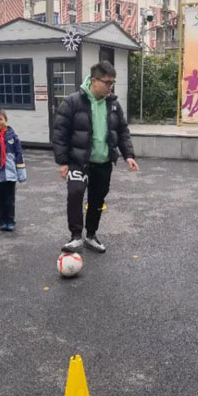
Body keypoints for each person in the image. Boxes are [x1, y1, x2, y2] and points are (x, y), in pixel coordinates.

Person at [52, 61, 138, 253]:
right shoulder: (73, 102)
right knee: (75, 194)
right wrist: (62, 161)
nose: (110, 87)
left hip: (103, 161)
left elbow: (122, 130)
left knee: (97, 200)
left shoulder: (113, 104)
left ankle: (91, 236)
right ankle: (75, 237)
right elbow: (60, 132)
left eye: (112, 83)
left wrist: (128, 155)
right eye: (107, 82)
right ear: (93, 80)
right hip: (79, 161)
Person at [0, 107, 26, 231]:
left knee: (10, 200)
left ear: (5, 119)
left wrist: (21, 173)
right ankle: (1, 221)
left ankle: (10, 220)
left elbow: (19, 154)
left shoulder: (12, 136)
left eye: (0, 119)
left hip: (10, 174)